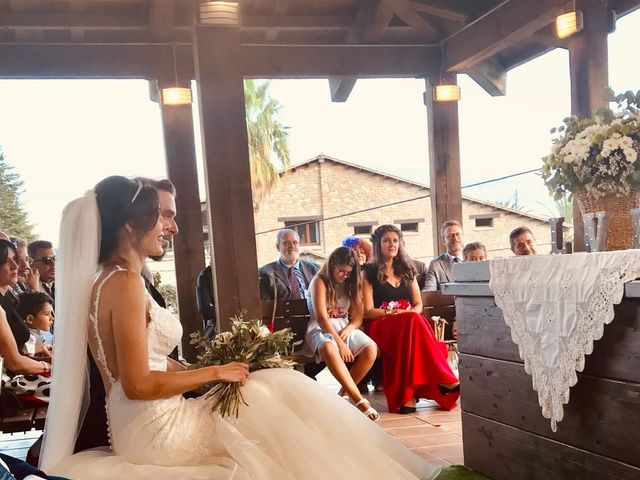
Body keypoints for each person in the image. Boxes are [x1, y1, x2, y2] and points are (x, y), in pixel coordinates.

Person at [40, 176, 440, 480]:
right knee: (272, 404)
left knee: (269, 388)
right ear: (130, 226)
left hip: (142, 419)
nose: (167, 229)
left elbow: (152, 363)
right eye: (157, 219)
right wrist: (215, 372)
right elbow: (137, 383)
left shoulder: (104, 281)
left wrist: (216, 378)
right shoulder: (124, 284)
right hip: (156, 429)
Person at [363, 225, 460, 415]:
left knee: (413, 320)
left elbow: (418, 304)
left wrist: (407, 313)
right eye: (386, 240)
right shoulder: (368, 272)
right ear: (378, 244)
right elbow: (367, 311)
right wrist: (394, 313)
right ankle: (443, 378)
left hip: (408, 325)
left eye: (395, 240)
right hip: (380, 325)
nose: (391, 244)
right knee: (412, 322)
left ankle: (407, 397)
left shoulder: (408, 270)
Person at [305, 247, 378, 421]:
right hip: (321, 328)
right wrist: (340, 344)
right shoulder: (320, 281)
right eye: (341, 271)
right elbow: (322, 318)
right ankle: (359, 400)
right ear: (332, 265)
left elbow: (358, 316)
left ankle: (342, 395)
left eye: (348, 273)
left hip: (343, 326)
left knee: (371, 348)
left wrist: (349, 328)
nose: (344, 276)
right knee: (329, 348)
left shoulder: (352, 283)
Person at [259, 228, 319, 301]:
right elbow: (266, 307)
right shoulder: (266, 274)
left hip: (314, 311)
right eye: (286, 243)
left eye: (295, 242)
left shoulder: (315, 269)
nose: (292, 246)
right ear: (278, 247)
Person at [0, 239, 32, 352]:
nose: (15, 266)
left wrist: (36, 349)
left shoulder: (8, 296)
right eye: (5, 261)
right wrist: (46, 366)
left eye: (14, 259)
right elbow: (13, 362)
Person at [424, 220, 464, 292]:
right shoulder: (435, 265)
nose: (455, 238)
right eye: (450, 236)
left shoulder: (473, 259)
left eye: (457, 234)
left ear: (463, 236)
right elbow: (428, 291)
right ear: (443, 240)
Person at [16, 292, 53, 359]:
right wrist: (50, 359)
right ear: (30, 319)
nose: (52, 318)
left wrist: (45, 346)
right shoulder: (28, 336)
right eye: (47, 314)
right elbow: (29, 359)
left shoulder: (35, 333)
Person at [28, 241, 56, 306]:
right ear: (31, 264)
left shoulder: (62, 284)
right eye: (47, 260)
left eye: (54, 258)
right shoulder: (28, 291)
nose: (53, 264)